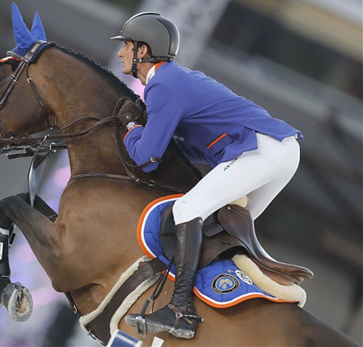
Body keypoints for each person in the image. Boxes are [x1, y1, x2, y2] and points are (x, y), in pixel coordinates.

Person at [111, 12, 303, 339]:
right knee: (222, 232)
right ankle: (238, 310)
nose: (120, 53)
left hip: (261, 151)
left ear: (143, 51)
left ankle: (181, 311)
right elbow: (198, 150)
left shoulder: (162, 86)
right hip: (279, 151)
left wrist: (131, 127)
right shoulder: (174, 79)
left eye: (126, 46)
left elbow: (147, 160)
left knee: (188, 211)